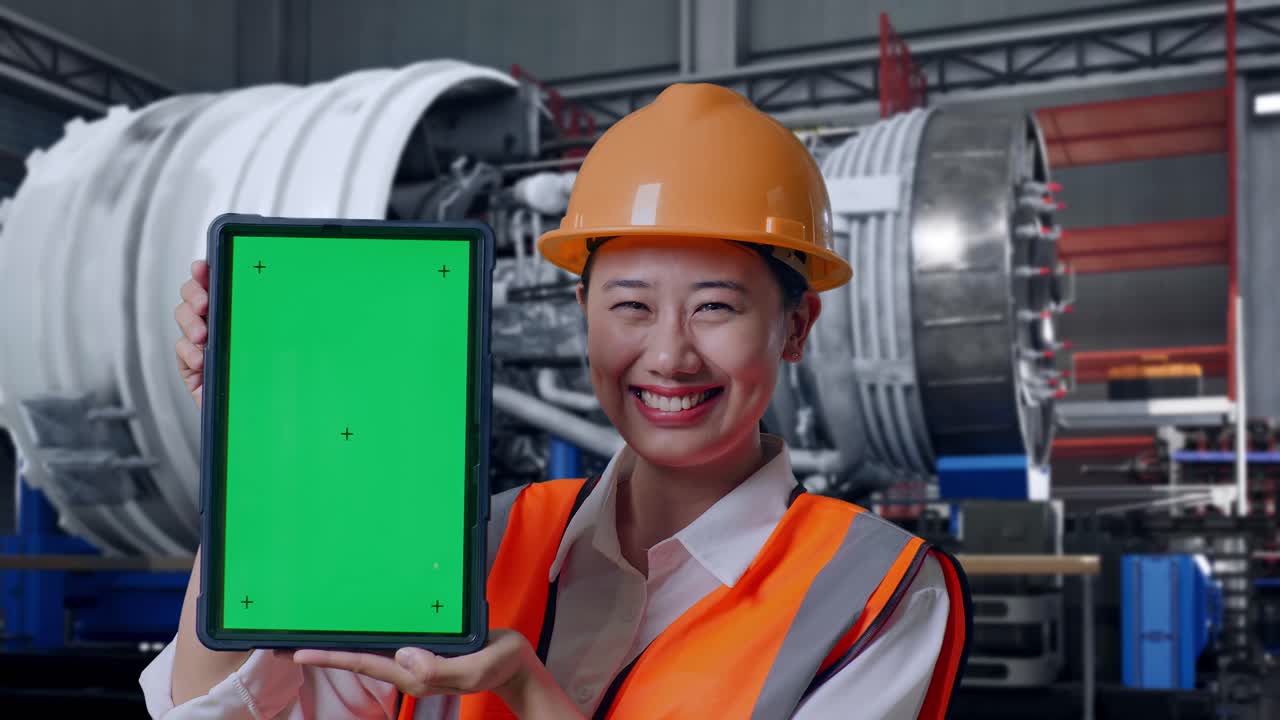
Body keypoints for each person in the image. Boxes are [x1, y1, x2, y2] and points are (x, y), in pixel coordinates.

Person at [143, 82, 970, 719]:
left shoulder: (873, 594)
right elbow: (224, 711)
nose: (669, 354)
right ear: (583, 314)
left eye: (716, 305)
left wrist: (525, 692)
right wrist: (250, 439)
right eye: (631, 306)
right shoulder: (479, 543)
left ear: (796, 326)